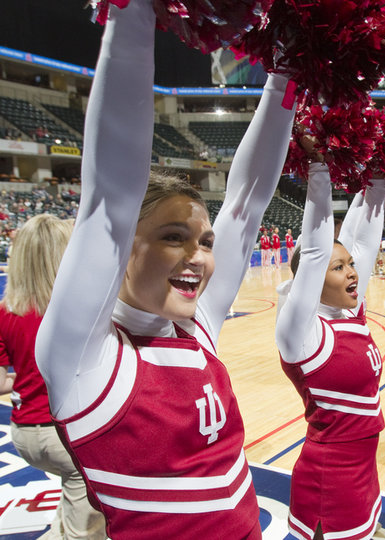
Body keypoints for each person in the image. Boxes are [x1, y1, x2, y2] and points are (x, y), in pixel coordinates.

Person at [34, 1, 297, 538]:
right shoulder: (87, 361)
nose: (198, 258)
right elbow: (109, 195)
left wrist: (290, 70)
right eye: (172, 238)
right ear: (122, 250)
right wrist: (131, 13)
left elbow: (246, 206)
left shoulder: (196, 330)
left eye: (204, 241)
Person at [275, 155, 385, 540]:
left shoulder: (351, 312)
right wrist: (319, 169)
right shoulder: (302, 335)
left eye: (350, 264)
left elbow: (368, 237)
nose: (353, 272)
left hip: (365, 472)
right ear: (310, 277)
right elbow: (316, 251)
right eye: (338, 267)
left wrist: (378, 177)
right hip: (331, 482)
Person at [0, 214, 106, 540]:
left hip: (24, 435)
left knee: (71, 487)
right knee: (88, 528)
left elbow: (3, 383)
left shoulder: (6, 312)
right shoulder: (75, 309)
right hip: (64, 435)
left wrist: (28, 380)